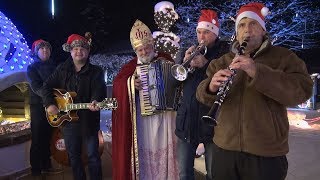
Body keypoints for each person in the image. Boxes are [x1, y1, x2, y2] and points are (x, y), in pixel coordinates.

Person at [196, 2, 313, 180]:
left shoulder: (284, 58)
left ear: (263, 30)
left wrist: (257, 72)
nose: (247, 30)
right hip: (225, 150)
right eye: (242, 25)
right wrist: (211, 87)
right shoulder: (222, 61)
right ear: (237, 31)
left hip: (266, 153)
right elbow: (201, 94)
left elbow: (302, 91)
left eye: (253, 24)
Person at [112, 19, 179, 180]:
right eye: (140, 49)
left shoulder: (166, 59)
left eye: (146, 48)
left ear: (152, 45)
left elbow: (177, 82)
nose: (143, 52)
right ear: (135, 50)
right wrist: (130, 84)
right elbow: (117, 84)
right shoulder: (129, 68)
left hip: (165, 118)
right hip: (143, 120)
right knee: (145, 152)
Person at [40, 34, 106, 180]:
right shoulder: (61, 69)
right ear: (70, 51)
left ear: (88, 51)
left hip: (89, 121)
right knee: (74, 157)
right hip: (68, 123)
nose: (79, 51)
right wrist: (50, 103)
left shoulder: (96, 71)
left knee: (93, 156)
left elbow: (99, 90)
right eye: (75, 48)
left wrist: (95, 100)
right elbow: (46, 87)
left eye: (82, 48)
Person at [174, 9, 228, 180]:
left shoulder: (224, 53)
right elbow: (173, 82)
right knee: (184, 173)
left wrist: (206, 64)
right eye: (199, 32)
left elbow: (225, 83)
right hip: (186, 122)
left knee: (213, 174)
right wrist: (184, 63)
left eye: (206, 32)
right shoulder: (186, 51)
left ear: (215, 33)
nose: (201, 36)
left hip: (212, 123)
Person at [27, 39, 61, 176]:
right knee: (37, 137)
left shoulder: (55, 67)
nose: (45, 50)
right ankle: (35, 170)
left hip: (53, 105)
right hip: (38, 107)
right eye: (42, 49)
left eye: (47, 48)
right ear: (36, 52)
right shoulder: (32, 68)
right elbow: (37, 87)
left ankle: (47, 165)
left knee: (49, 136)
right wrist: (49, 101)